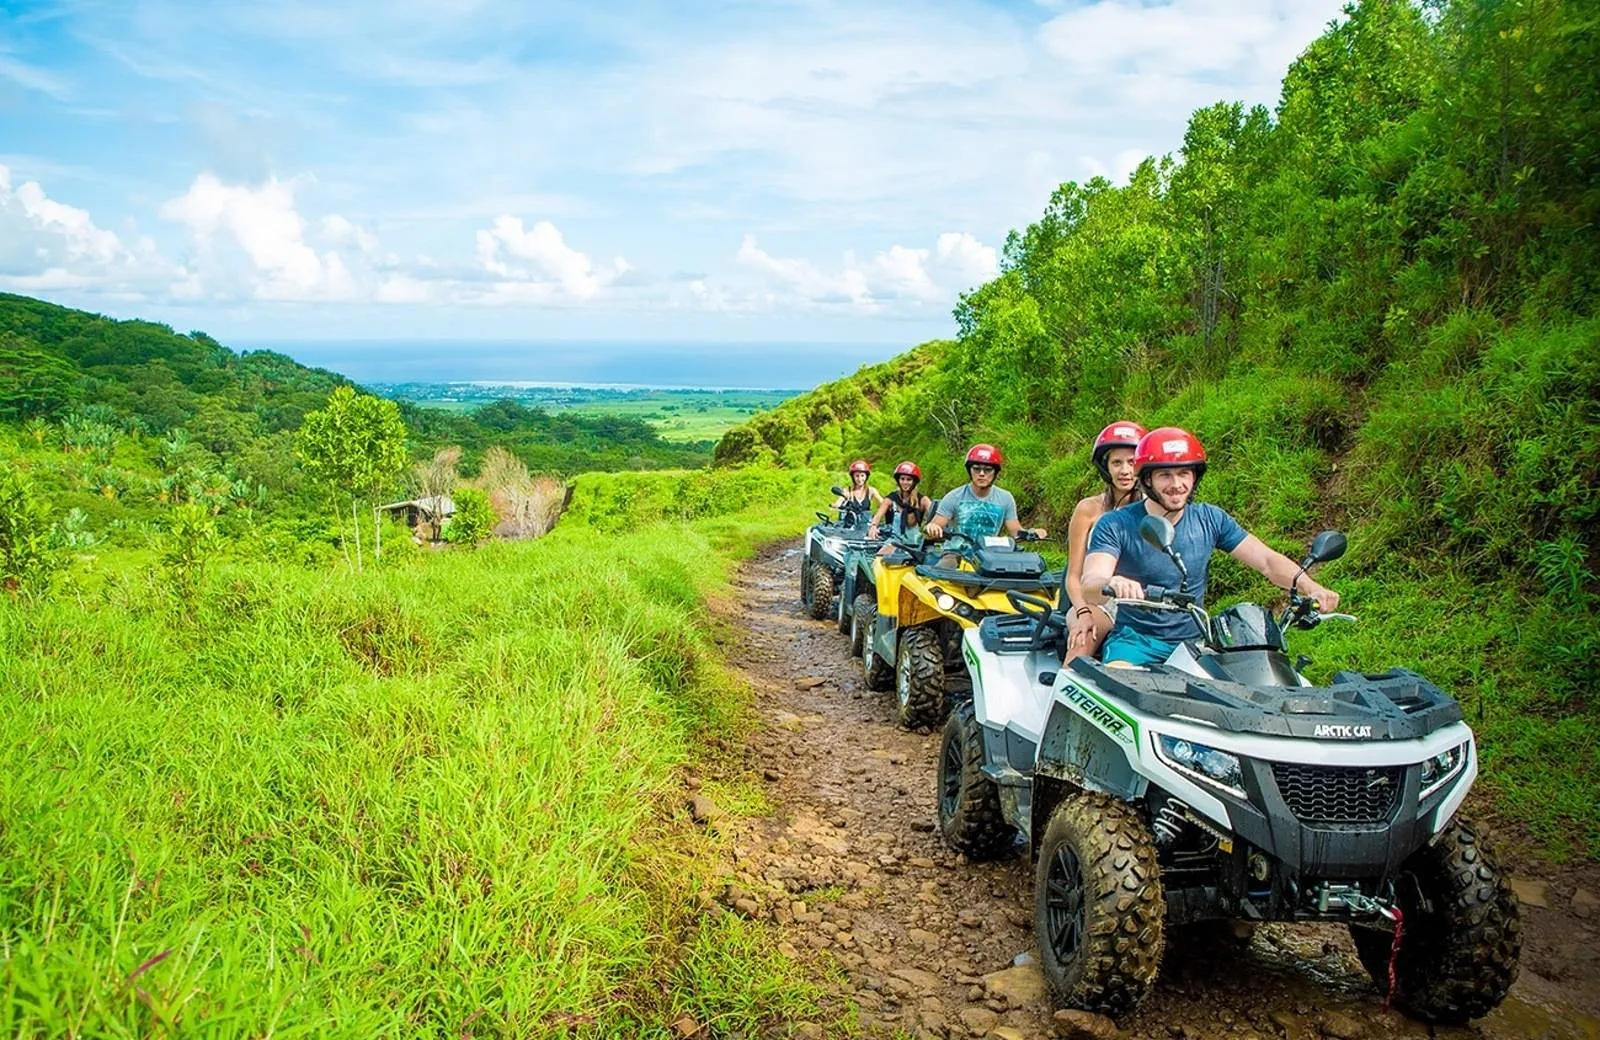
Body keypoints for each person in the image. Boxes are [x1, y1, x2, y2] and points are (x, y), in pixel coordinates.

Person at [1082, 427, 1339, 668]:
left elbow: (1266, 561)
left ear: (1195, 476)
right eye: (1165, 475)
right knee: (1119, 688)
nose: (1176, 484)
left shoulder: (1210, 518)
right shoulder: (1116, 524)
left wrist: (1309, 586)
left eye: (1184, 473)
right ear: (1147, 479)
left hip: (1196, 644)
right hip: (1137, 642)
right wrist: (1113, 583)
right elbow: (1091, 582)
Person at [1064, 421, 1146, 663]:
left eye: (1132, 462)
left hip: (1141, 602)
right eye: (1117, 463)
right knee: (1083, 637)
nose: (1125, 471)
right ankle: (1061, 694)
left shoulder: (1153, 509)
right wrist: (1082, 612)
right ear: (1106, 467)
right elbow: (1073, 576)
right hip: (1097, 601)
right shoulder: (1088, 509)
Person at [922, 444, 1047, 567]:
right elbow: (933, 527)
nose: (981, 474)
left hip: (990, 556)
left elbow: (1016, 533)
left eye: (987, 470)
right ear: (969, 471)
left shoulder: (1005, 498)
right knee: (944, 570)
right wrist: (932, 527)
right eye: (976, 469)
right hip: (956, 553)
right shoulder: (954, 496)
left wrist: (1033, 533)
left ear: (995, 473)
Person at [868, 461, 934, 540]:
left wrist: (933, 526)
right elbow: (878, 515)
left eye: (909, 479)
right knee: (883, 552)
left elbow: (935, 513)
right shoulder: (891, 499)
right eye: (902, 479)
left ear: (914, 482)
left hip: (915, 542)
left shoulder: (923, 500)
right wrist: (874, 526)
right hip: (893, 541)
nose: (905, 482)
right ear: (898, 480)